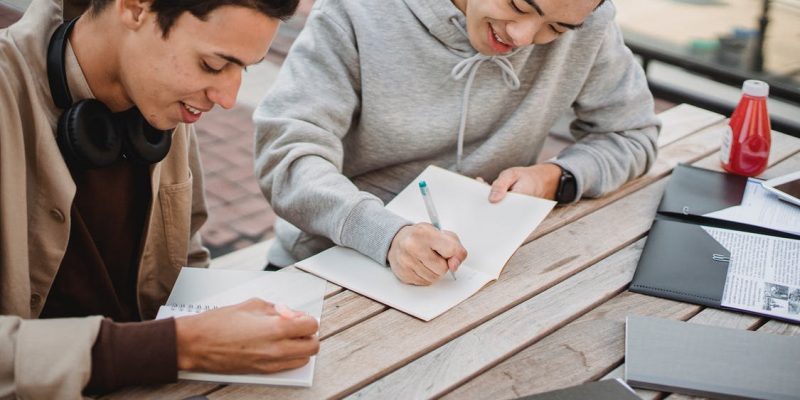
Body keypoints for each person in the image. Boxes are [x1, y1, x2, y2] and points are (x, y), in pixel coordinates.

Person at [0, 0, 320, 397]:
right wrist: (178, 346)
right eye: (214, 65)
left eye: (244, 69)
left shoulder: (160, 103)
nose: (228, 97)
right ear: (135, 8)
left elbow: (187, 257)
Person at [254, 0, 661, 285]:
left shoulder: (588, 23)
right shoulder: (357, 11)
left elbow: (631, 133)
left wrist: (555, 178)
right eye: (518, 5)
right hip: (330, 263)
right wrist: (385, 234)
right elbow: (289, 155)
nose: (523, 36)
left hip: (475, 271)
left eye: (556, 28)